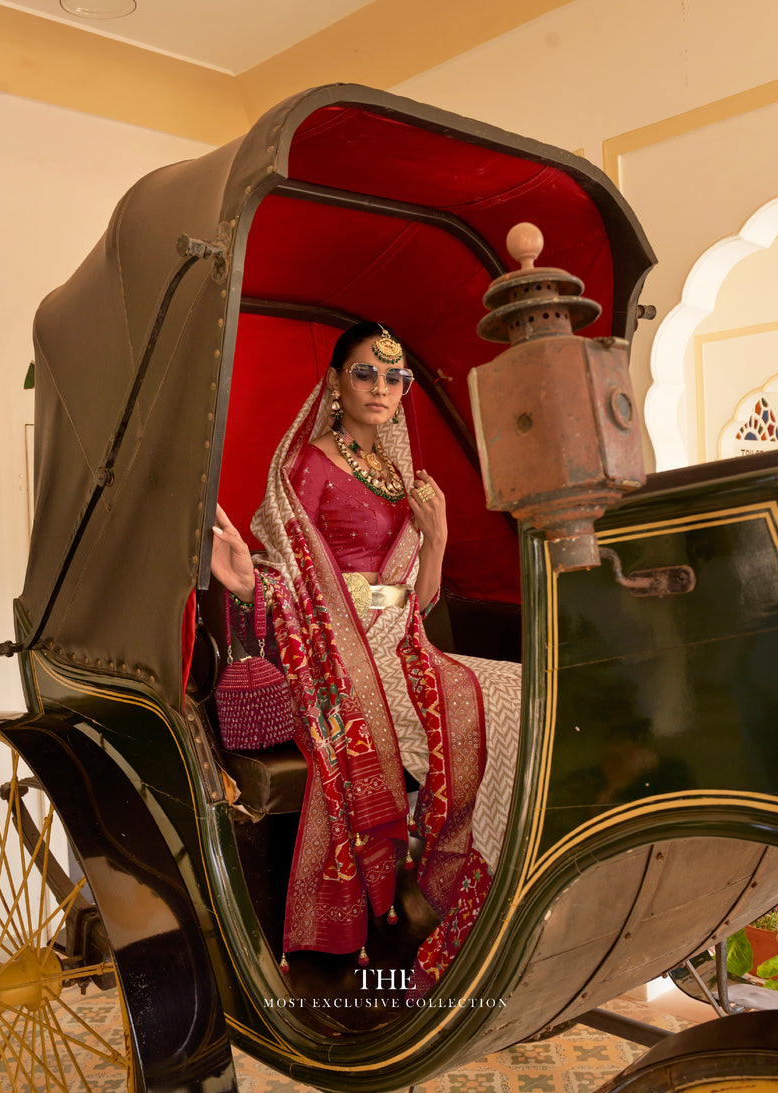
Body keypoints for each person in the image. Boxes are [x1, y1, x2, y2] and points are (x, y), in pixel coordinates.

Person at [211, 321, 521, 994]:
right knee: (485, 701)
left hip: (403, 641)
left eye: (394, 377)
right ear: (333, 382)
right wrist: (247, 581)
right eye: (365, 372)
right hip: (338, 659)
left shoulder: (400, 475)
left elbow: (419, 597)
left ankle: (497, 889)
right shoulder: (308, 466)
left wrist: (437, 536)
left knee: (522, 690)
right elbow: (293, 579)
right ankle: (454, 899)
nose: (381, 387)